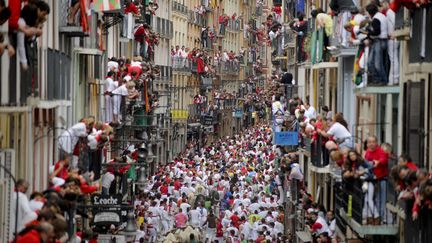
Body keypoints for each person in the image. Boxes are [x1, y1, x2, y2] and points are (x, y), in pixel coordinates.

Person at [364, 135, 389, 223]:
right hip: (371, 179)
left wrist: (378, 162)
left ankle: (381, 218)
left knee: (381, 199)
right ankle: (374, 216)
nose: (371, 144)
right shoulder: (367, 152)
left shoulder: (380, 151)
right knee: (370, 199)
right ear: (367, 144)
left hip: (381, 179)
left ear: (376, 143)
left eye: (373, 142)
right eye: (369, 142)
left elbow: (384, 159)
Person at [365, 3, 389, 85]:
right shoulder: (381, 16)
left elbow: (377, 32)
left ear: (370, 12)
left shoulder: (376, 19)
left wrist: (369, 32)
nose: (367, 14)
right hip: (381, 40)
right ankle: (377, 79)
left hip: (379, 41)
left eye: (367, 12)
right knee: (370, 62)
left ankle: (382, 80)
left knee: (376, 63)